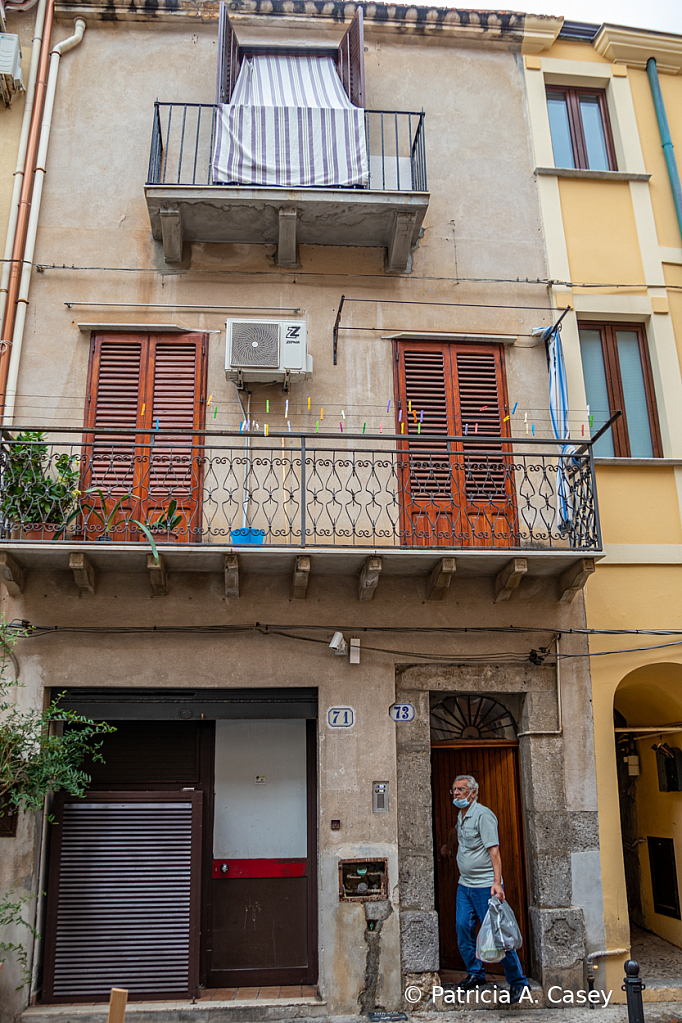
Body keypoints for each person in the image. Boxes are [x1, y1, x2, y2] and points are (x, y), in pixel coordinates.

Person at [440, 773, 529, 1004]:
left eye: (461, 789)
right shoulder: (462, 815)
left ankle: (518, 982)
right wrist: (448, 846)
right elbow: (456, 832)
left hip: (484, 887)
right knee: (462, 928)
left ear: (474, 792)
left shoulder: (484, 816)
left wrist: (497, 882)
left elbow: (494, 851)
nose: (457, 793)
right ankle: (476, 973)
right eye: (454, 790)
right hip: (465, 886)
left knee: (498, 935)